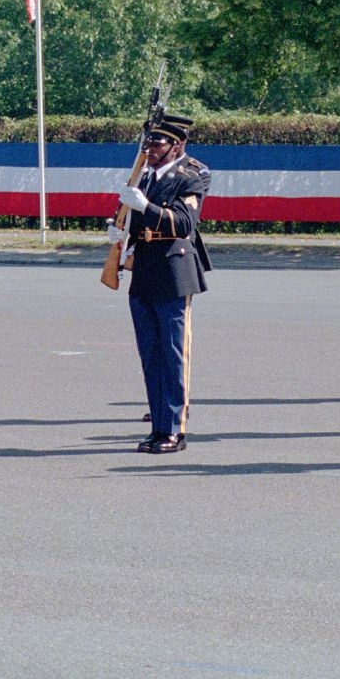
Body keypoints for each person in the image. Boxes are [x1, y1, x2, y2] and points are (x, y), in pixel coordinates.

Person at [107, 114, 210, 454]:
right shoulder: (146, 177)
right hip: (145, 273)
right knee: (150, 355)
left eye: (157, 144)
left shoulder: (190, 177)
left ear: (176, 146)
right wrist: (121, 234)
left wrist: (144, 206)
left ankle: (175, 430)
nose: (149, 150)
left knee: (174, 354)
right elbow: (138, 221)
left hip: (174, 273)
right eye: (148, 144)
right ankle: (158, 426)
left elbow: (183, 222)